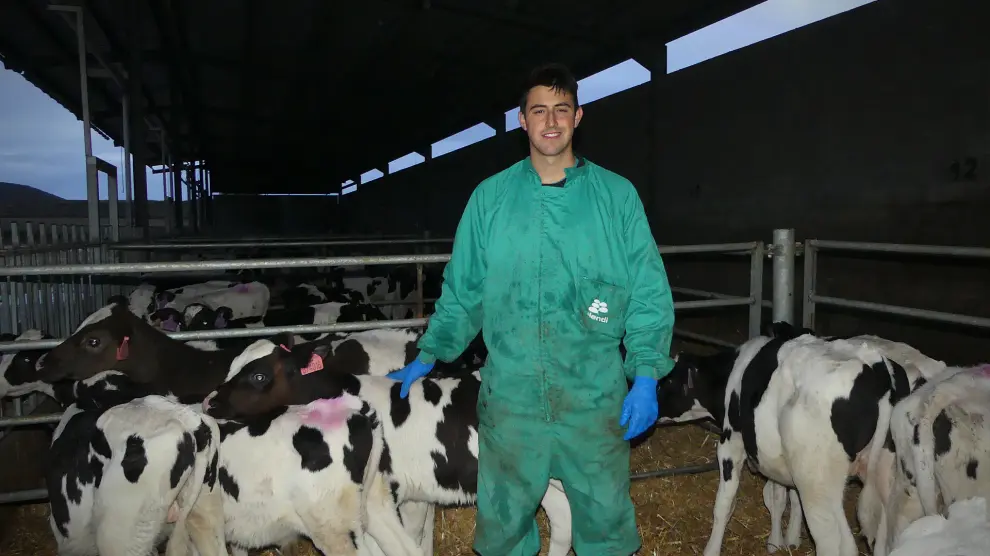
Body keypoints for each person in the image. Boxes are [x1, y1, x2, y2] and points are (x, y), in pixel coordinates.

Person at [386, 63, 676, 555]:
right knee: (503, 526)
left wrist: (646, 374)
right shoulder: (490, 200)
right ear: (522, 120)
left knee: (605, 522)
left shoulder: (616, 197)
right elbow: (463, 291)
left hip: (593, 398)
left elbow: (648, 291)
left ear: (578, 116)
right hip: (512, 398)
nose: (551, 121)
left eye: (562, 110)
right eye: (539, 110)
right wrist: (430, 351)